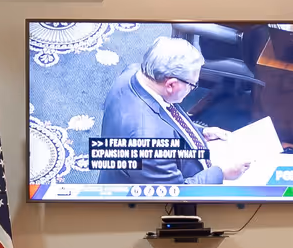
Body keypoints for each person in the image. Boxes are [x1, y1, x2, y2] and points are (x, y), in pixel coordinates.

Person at [96, 36, 251, 186]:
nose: (192, 89)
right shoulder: (148, 142)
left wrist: (200, 132)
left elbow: (166, 116)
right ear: (171, 85)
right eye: (192, 85)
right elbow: (176, 194)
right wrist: (221, 173)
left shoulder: (133, 73)